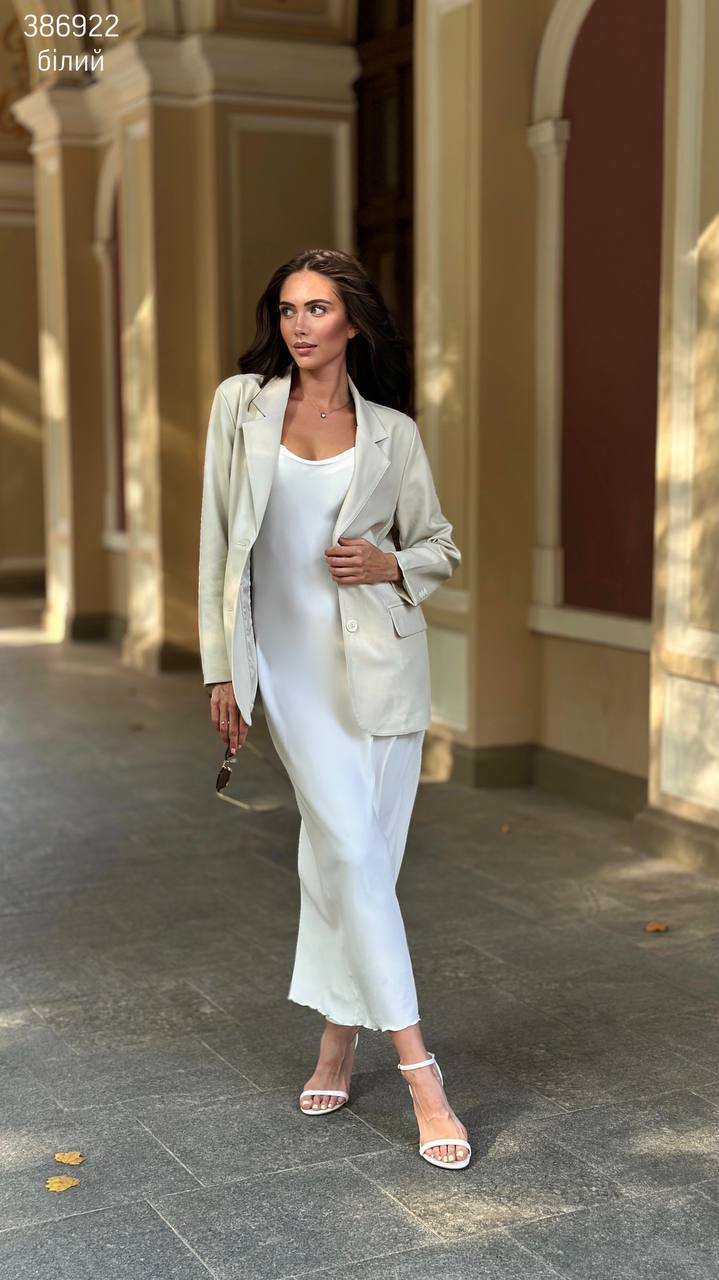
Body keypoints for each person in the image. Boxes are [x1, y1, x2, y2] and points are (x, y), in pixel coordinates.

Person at [198, 248, 470, 1169]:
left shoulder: (392, 432)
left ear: (352, 321)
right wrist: (222, 671)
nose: (299, 325)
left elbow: (438, 545)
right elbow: (217, 547)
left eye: (317, 309)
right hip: (288, 672)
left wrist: (391, 563)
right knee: (352, 851)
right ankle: (421, 1072)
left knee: (348, 863)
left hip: (382, 671)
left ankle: (336, 1040)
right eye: (287, 310)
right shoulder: (241, 405)